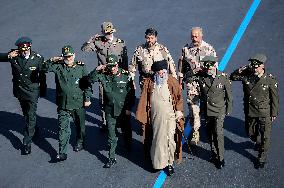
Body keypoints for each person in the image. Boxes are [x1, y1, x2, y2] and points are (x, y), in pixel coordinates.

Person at [43, 45, 92, 161]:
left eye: (70, 56)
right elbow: (43, 69)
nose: (68, 58)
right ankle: (62, 152)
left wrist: (87, 99)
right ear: (62, 57)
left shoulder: (81, 67)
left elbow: (87, 85)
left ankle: (80, 141)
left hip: (78, 103)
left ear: (74, 55)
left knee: (80, 126)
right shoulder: (58, 66)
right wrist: (52, 59)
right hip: (63, 104)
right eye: (66, 56)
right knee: (63, 128)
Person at [230, 54, 279, 169]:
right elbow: (232, 77)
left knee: (265, 136)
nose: (254, 69)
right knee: (250, 132)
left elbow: (274, 97)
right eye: (252, 67)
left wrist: (274, 112)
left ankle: (262, 157)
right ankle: (256, 141)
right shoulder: (246, 74)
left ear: (262, 66)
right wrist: (240, 69)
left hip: (264, 111)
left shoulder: (269, 79)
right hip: (250, 110)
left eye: (256, 67)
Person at [136, 60, 184, 176]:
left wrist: (178, 111)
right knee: (158, 140)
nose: (162, 74)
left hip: (171, 116)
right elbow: (144, 100)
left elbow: (178, 98)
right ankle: (157, 164)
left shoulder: (172, 81)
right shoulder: (149, 82)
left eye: (163, 71)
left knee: (170, 140)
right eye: (159, 72)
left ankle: (170, 163)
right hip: (156, 117)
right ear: (155, 72)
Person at [0, 37, 46, 155]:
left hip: (32, 91)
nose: (25, 51)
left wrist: (43, 90)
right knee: (26, 113)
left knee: (30, 115)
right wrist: (8, 55)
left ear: (30, 47)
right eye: (22, 49)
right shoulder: (14, 56)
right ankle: (34, 128)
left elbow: (42, 76)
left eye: (26, 49)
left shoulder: (38, 58)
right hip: (20, 91)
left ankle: (27, 142)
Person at [87, 55, 135, 168]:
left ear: (117, 65)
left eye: (114, 66)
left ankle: (128, 146)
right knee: (111, 135)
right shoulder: (104, 74)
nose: (112, 68)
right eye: (110, 66)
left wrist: (129, 108)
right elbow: (90, 79)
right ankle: (111, 157)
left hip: (123, 110)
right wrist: (97, 69)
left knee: (126, 131)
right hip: (109, 110)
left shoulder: (126, 75)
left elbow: (131, 94)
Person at [81, 21, 128, 132]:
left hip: (117, 74)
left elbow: (124, 60)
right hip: (104, 75)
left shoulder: (121, 43)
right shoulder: (97, 42)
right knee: (103, 99)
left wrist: (126, 75)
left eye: (110, 32)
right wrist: (90, 40)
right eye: (106, 33)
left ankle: (119, 120)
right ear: (102, 32)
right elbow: (84, 49)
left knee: (119, 97)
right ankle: (105, 123)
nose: (108, 35)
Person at [177, 27, 216, 144]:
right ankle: (195, 132)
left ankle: (210, 129)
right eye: (192, 36)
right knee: (193, 107)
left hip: (205, 83)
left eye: (196, 36)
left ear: (201, 36)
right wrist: (180, 82)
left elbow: (215, 69)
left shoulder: (209, 49)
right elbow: (181, 67)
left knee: (208, 108)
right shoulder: (186, 49)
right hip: (192, 83)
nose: (194, 38)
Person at [196, 56, 232, 169]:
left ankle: (220, 158)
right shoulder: (202, 76)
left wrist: (228, 110)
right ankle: (214, 153)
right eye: (206, 67)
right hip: (207, 110)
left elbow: (229, 96)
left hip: (219, 110)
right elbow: (187, 78)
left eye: (210, 67)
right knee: (209, 133)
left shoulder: (223, 77)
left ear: (214, 65)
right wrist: (195, 70)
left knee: (218, 133)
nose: (208, 69)